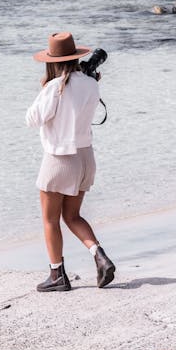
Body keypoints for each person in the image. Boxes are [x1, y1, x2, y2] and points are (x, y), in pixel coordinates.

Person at [26, 31, 116, 292]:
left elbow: (32, 119)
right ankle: (99, 255)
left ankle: (57, 275)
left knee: (50, 219)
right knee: (73, 215)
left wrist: (45, 87)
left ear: (52, 61)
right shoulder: (91, 83)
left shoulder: (55, 87)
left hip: (60, 159)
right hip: (86, 157)